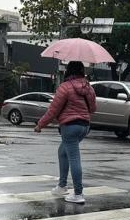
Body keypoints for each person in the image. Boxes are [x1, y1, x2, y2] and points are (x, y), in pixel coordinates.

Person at [34, 61, 97, 204]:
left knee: (74, 158)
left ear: (69, 71)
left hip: (69, 126)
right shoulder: (89, 88)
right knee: (63, 152)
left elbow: (53, 110)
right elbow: (93, 108)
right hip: (84, 126)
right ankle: (62, 186)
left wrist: (40, 125)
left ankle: (78, 193)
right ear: (82, 71)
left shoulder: (65, 88)